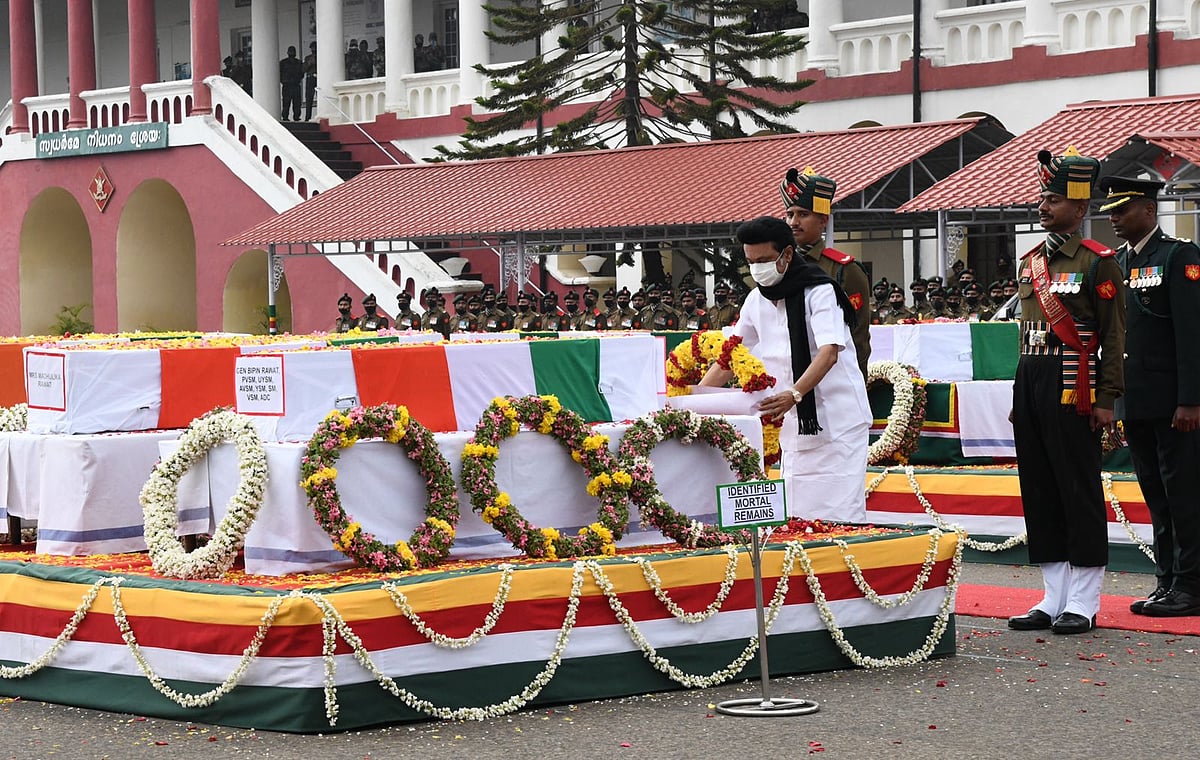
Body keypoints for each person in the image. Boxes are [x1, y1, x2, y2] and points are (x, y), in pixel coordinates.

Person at [1007, 147, 1125, 636]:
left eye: (1053, 199)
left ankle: (1084, 598)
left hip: (1073, 381)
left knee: (1077, 488)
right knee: (1039, 487)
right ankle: (1053, 594)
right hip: (1031, 378)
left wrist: (1106, 400)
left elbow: (1115, 337)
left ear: (1080, 209)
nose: (1043, 206)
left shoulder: (1098, 262)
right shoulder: (1031, 260)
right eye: (1041, 197)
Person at [700, 216, 870, 522]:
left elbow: (830, 352)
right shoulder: (756, 300)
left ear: (787, 255)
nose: (757, 269)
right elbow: (730, 357)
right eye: (751, 262)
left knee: (837, 520)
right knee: (796, 519)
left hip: (837, 425)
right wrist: (694, 400)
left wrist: (795, 393)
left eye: (764, 260)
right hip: (794, 428)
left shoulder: (820, 291)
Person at [1101, 175, 1200, 616]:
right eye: (1111, 213)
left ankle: (1191, 585)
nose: (1115, 219)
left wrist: (1191, 399)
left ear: (1149, 210)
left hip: (1174, 402)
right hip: (1135, 400)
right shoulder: (1116, 262)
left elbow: (1192, 333)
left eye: (1122, 211)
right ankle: (1166, 581)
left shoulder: (1180, 256)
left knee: (1184, 493)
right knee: (1155, 494)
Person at [780, 168, 870, 380]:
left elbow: (858, 336)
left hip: (833, 376)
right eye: (789, 214)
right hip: (787, 373)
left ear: (823, 220)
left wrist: (856, 382)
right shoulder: (780, 266)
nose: (794, 222)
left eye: (803, 214)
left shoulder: (844, 269)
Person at [279, 46, 304, 121]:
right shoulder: (283, 63)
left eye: (293, 51)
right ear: (288, 53)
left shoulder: (299, 62)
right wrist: (283, 81)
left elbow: (301, 73)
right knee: (286, 102)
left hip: (295, 85)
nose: (292, 53)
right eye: (290, 51)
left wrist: (297, 79)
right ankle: (285, 117)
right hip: (287, 85)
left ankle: (296, 116)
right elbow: (279, 73)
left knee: (297, 103)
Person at [303, 41, 317, 120]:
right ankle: (307, 118)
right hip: (310, 78)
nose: (313, 49)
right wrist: (309, 63)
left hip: (319, 78)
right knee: (309, 98)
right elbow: (303, 69)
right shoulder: (308, 58)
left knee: (321, 98)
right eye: (312, 48)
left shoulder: (321, 56)